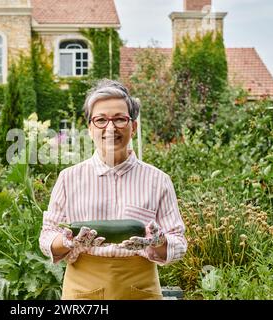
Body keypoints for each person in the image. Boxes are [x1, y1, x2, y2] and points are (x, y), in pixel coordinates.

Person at [39, 79, 187, 300]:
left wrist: (159, 241)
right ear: (89, 128)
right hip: (82, 290)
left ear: (133, 126)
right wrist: (69, 241)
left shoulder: (158, 180)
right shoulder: (68, 179)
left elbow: (179, 242)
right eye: (100, 120)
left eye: (119, 119)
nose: (110, 128)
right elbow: (47, 237)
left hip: (141, 289)